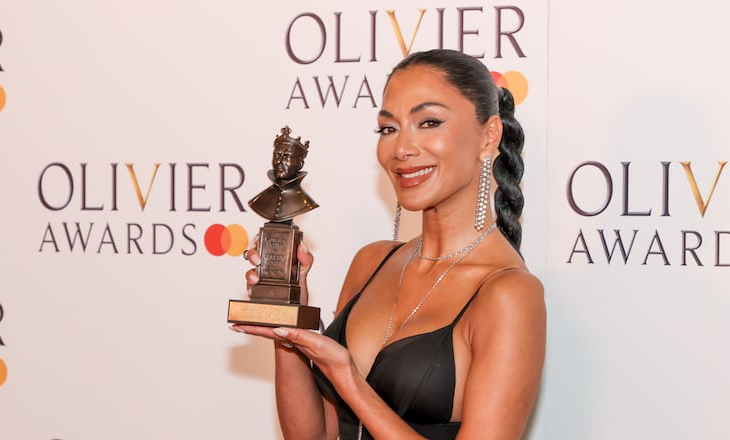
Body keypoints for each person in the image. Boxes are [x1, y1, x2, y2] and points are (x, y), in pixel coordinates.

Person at [232, 49, 546, 440]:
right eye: (388, 129)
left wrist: (347, 377)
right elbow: (314, 435)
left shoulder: (508, 293)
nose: (400, 149)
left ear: (489, 137)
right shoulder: (372, 262)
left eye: (428, 122)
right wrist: (290, 326)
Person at [248, 125, 319, 222]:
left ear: (300, 164)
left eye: (286, 156)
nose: (279, 161)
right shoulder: (257, 201)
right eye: (277, 155)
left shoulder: (306, 202)